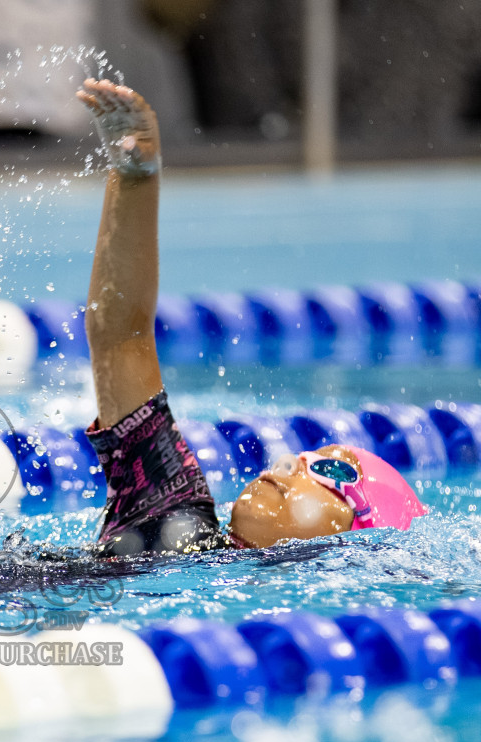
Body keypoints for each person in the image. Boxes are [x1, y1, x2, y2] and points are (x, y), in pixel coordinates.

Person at [73, 79, 426, 556]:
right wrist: (136, 177)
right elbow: (120, 336)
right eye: (304, 456)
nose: (288, 462)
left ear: (363, 529)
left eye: (332, 470)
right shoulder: (171, 511)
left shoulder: (320, 619)